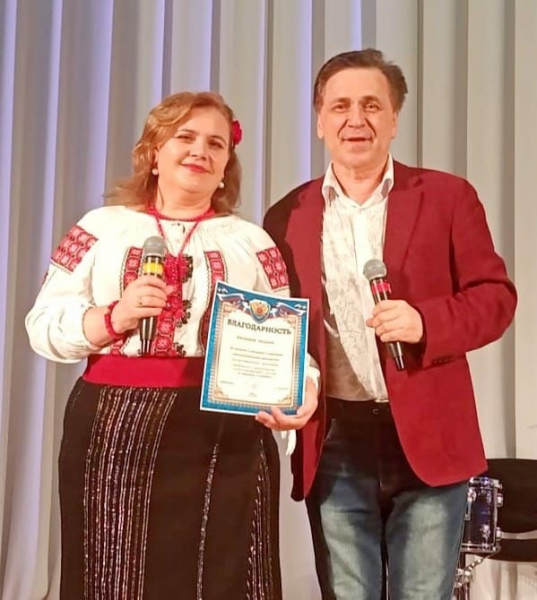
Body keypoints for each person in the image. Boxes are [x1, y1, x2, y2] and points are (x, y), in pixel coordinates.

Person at [26, 91, 319, 600]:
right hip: (115, 428)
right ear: (154, 152)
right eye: (185, 137)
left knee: (223, 574)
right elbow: (43, 324)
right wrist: (113, 317)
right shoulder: (100, 229)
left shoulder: (252, 243)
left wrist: (303, 387)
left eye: (216, 144)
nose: (200, 151)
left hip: (224, 433)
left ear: (226, 166)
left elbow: (283, 337)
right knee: (113, 571)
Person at [264, 49, 517, 600]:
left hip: (430, 434)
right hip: (334, 438)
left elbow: (496, 299)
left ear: (395, 119)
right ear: (320, 120)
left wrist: (425, 321)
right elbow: (281, 326)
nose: (356, 119)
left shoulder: (447, 197)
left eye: (372, 105)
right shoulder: (287, 215)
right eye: (340, 106)